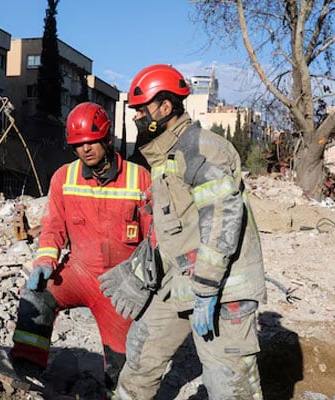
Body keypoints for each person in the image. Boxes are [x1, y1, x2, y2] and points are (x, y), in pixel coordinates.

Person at [101, 64, 267, 399]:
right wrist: (141, 270)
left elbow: (222, 214)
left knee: (229, 384)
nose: (136, 117)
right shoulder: (166, 158)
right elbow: (176, 228)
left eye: (140, 110)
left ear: (165, 108)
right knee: (142, 352)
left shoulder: (201, 148)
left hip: (222, 291)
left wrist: (206, 287)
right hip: (181, 282)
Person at [9, 102, 152, 391]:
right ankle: (27, 373)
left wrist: (145, 283)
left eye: (91, 142)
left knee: (121, 370)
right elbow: (53, 227)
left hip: (119, 283)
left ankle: (114, 389)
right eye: (78, 144)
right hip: (79, 272)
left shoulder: (139, 178)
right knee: (36, 295)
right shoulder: (64, 177)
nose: (86, 149)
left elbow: (153, 238)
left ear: (107, 138)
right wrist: (44, 262)